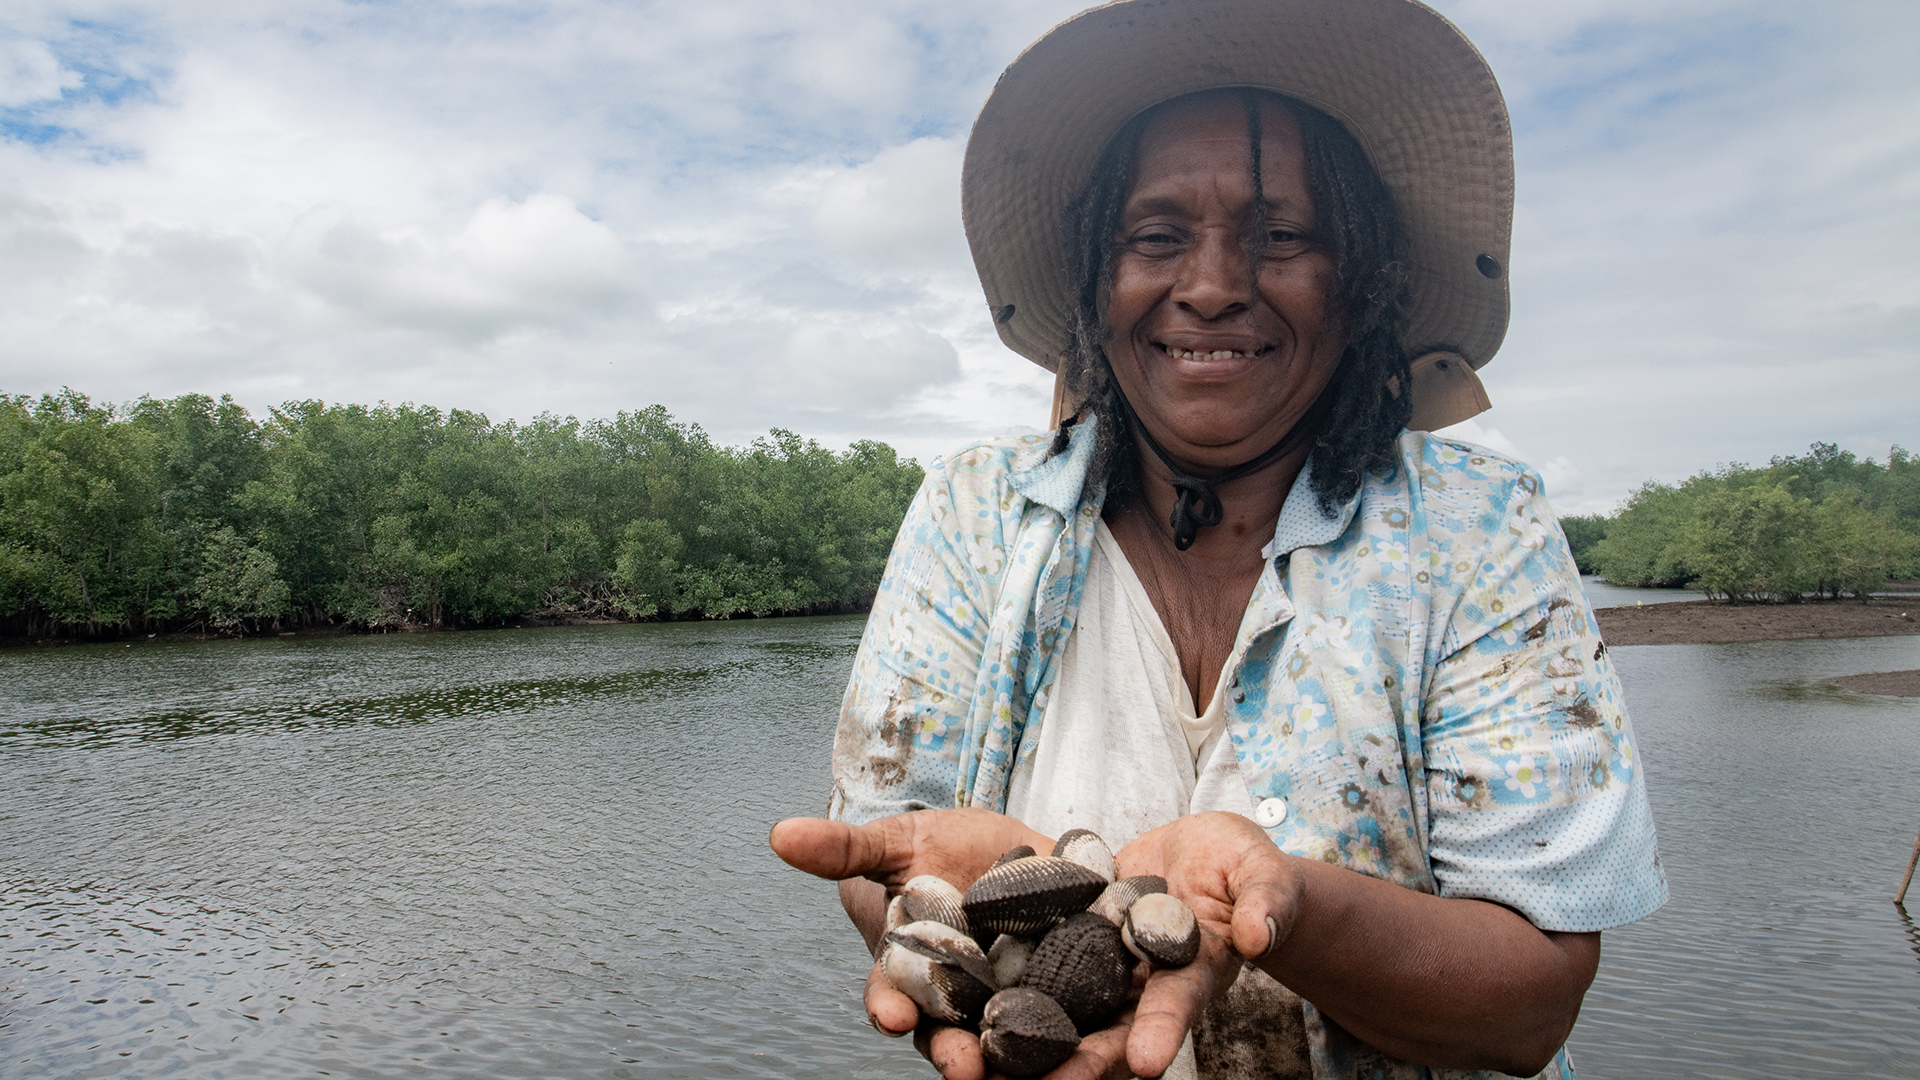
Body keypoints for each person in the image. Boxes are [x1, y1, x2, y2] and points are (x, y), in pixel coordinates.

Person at [770, 1, 1666, 1078]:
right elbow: (889, 850)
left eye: (1282, 236)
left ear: (1360, 281)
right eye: (1155, 238)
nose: (1209, 287)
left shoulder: (1478, 529)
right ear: (1097, 282)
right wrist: (963, 913)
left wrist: (1287, 907)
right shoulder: (975, 512)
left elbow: (1529, 1011)